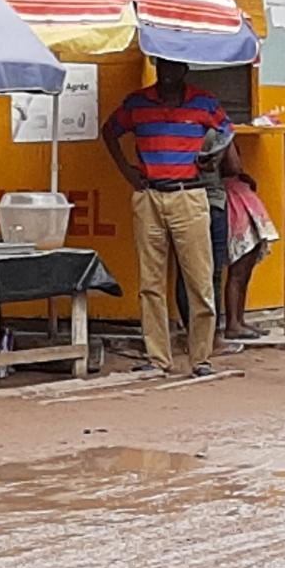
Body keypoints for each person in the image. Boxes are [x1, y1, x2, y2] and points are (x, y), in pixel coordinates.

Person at [102, 58, 232, 378]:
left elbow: (227, 130)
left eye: (174, 68)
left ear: (185, 70)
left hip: (190, 194)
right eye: (162, 67)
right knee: (151, 283)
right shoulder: (137, 102)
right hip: (149, 195)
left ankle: (200, 358)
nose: (167, 74)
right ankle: (158, 357)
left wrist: (213, 156)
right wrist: (126, 171)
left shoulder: (203, 101)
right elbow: (109, 131)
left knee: (200, 282)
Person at [220, 142, 280, 341]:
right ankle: (233, 323)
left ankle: (239, 319)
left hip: (238, 194)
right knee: (238, 269)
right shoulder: (220, 136)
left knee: (245, 267)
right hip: (233, 198)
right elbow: (233, 166)